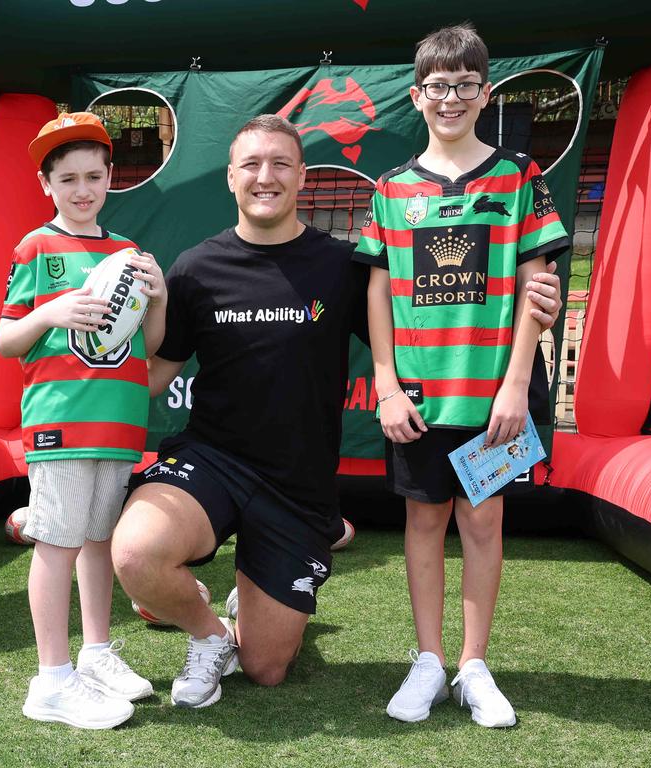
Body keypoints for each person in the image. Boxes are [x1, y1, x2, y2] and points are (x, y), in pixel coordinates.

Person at [110, 113, 563, 710]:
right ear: (230, 178)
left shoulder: (342, 267)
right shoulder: (195, 268)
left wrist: (531, 306)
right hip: (212, 460)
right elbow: (151, 377)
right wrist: (83, 359)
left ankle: (252, 598)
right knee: (137, 553)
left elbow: (426, 328)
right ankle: (208, 632)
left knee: (268, 668)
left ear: (302, 177)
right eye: (251, 164)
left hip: (297, 487)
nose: (264, 177)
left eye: (279, 164)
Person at [354, 23, 571, 727]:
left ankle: (474, 665)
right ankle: (428, 661)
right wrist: (385, 383)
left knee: (483, 521)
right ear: (417, 96)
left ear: (484, 93)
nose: (451, 97)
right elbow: (378, 291)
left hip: (497, 395)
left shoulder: (519, 179)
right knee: (423, 521)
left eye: (465, 85)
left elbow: (539, 289)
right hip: (419, 395)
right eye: (438, 86)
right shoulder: (392, 189)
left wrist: (514, 386)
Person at [0, 112, 167, 730]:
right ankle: (51, 680)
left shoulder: (126, 254)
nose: (82, 189)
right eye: (67, 178)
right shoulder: (36, 247)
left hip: (118, 423)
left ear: (111, 177)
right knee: (58, 542)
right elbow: (5, 339)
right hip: (61, 421)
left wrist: (161, 295)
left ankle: (95, 656)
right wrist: (51, 313)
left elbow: (149, 343)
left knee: (97, 541)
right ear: (47, 184)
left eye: (93, 175)